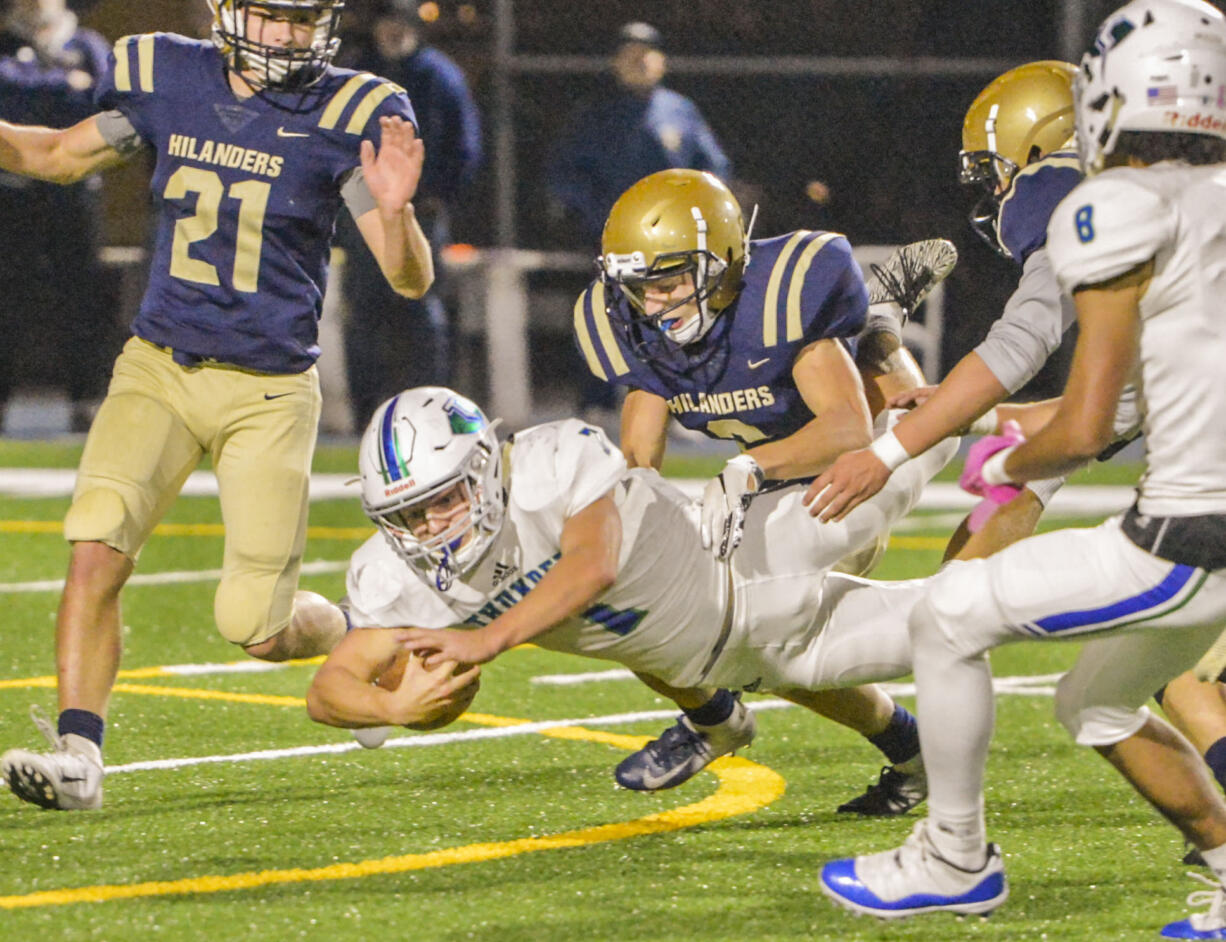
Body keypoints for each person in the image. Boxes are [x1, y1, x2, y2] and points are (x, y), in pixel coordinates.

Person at [819, 3, 1226, 934]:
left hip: (1188, 538)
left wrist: (1012, 451)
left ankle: (954, 855)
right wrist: (1021, 424)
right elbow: (1143, 397)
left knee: (948, 611)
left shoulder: (1115, 209)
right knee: (1097, 703)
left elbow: (1086, 422)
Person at [0, 0, 434, 812]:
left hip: (267, 390)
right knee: (95, 549)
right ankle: (78, 756)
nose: (285, 36)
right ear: (227, 12)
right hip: (158, 366)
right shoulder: (173, 75)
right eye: (269, 16)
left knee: (259, 630)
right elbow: (56, 155)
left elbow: (410, 280)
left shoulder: (353, 110)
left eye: (303, 21)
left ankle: (353, 624)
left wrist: (399, 212)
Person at [303, 387, 959, 763]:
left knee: (920, 444)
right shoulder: (401, 576)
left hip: (757, 549)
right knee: (959, 617)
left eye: (443, 500)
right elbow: (329, 689)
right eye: (408, 515)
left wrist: (486, 638)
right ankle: (901, 749)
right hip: (743, 653)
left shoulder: (551, 462)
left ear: (482, 467)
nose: (431, 529)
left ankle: (921, 365)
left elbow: (594, 564)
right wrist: (391, 705)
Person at [570, 167, 955, 810]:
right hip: (781, 471)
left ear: (720, 261)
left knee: (905, 409)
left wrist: (747, 470)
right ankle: (907, 752)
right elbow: (640, 461)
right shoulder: (637, 329)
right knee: (739, 631)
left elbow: (848, 428)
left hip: (861, 450)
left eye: (668, 282)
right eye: (639, 290)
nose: (655, 305)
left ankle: (881, 319)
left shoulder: (779, 295)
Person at [547, 21, 732, 417]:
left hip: (673, 244)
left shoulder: (680, 111)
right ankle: (597, 406)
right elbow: (563, 174)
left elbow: (714, 169)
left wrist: (697, 212)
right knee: (605, 320)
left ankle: (679, 406)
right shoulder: (596, 116)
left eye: (646, 54)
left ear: (661, 61)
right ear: (615, 63)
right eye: (629, 55)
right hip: (615, 241)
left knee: (677, 322)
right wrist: (600, 214)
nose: (639, 62)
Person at [334, 0, 482, 431]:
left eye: (401, 24)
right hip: (362, 208)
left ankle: (430, 409)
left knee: (420, 306)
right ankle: (366, 414)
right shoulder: (357, 72)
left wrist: (437, 195)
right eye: (387, 23)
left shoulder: (439, 76)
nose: (393, 32)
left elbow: (465, 147)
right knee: (363, 311)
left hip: (421, 210)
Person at [0, 0, 115, 433]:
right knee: (5, 301)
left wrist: (37, 89)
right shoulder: (6, 43)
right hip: (11, 193)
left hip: (74, 193)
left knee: (83, 297)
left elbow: (105, 104)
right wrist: (66, 83)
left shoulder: (87, 43)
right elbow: (7, 92)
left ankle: (86, 399)